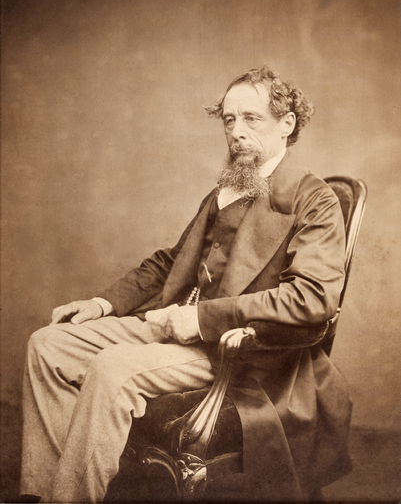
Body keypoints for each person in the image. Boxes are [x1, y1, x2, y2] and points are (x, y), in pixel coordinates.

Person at [21, 65, 351, 503]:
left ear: (286, 124)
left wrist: (198, 319)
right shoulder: (228, 189)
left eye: (251, 119)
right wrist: (102, 303)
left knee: (110, 369)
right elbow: (172, 263)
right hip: (172, 325)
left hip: (238, 351)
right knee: (48, 345)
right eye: (229, 120)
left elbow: (311, 298)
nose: (237, 132)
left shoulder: (314, 199)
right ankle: (50, 493)